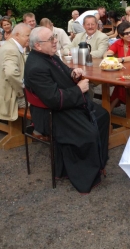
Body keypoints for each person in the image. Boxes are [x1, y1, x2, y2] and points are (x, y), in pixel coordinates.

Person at [24, 27, 109, 194]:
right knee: (88, 133)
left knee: (102, 116)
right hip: (50, 113)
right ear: (38, 46)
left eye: (53, 37)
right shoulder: (36, 66)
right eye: (50, 39)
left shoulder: (48, 56)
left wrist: (73, 73)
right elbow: (54, 99)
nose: (55, 40)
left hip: (64, 105)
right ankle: (83, 175)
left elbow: (62, 72)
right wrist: (78, 89)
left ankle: (98, 162)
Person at [104, 22, 130, 112]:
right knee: (120, 86)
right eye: (126, 33)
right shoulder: (118, 42)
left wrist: (120, 59)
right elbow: (108, 53)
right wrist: (108, 57)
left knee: (122, 88)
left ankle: (107, 113)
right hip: (122, 73)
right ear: (120, 35)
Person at [0, 23, 31, 121]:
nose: (30, 38)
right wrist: (21, 92)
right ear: (17, 35)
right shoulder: (11, 49)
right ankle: (41, 131)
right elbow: (11, 73)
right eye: (27, 35)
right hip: (9, 99)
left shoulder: (10, 46)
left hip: (5, 93)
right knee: (42, 99)